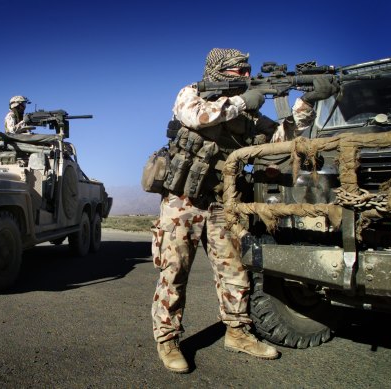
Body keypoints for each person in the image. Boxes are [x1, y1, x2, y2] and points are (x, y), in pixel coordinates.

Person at [151, 48, 338, 373]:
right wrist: (242, 100)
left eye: (247, 73)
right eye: (239, 73)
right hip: (183, 200)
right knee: (174, 270)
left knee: (235, 269)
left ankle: (237, 332)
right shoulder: (191, 93)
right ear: (219, 73)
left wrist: (305, 104)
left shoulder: (248, 115)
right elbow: (197, 117)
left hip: (224, 201)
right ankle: (167, 340)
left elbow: (282, 138)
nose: (246, 78)